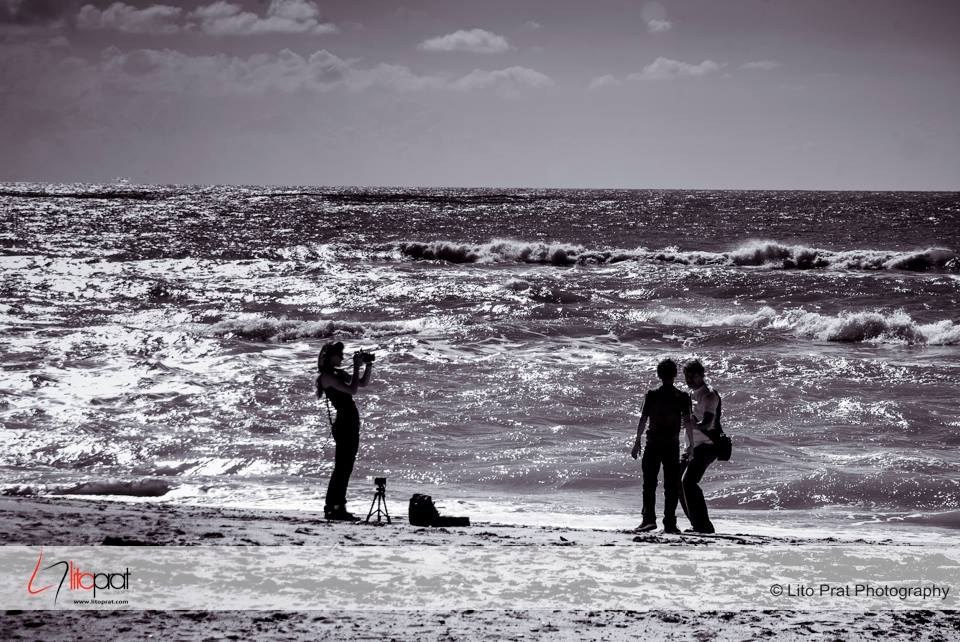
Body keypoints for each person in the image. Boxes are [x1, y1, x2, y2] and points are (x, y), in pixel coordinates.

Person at [630, 358, 691, 534]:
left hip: (653, 443)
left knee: (649, 483)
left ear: (658, 375)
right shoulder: (682, 396)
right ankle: (670, 523)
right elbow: (687, 423)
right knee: (671, 485)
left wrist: (636, 442)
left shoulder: (652, 394)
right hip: (672, 445)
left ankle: (648, 520)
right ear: (675, 375)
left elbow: (643, 419)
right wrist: (692, 446)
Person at [316, 341, 373, 521]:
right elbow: (353, 390)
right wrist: (356, 366)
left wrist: (368, 366)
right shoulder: (326, 377)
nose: (341, 357)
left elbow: (362, 383)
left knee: (345, 467)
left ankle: (336, 506)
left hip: (350, 422)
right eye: (339, 355)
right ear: (330, 356)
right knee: (342, 467)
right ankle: (334, 507)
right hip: (343, 423)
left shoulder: (338, 374)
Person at [679, 359, 719, 534]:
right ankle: (697, 523)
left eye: (692, 376)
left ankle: (704, 526)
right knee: (676, 482)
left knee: (688, 482)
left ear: (701, 375)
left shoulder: (709, 395)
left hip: (707, 445)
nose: (688, 379)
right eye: (686, 375)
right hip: (691, 446)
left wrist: (691, 424)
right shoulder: (689, 395)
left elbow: (708, 423)